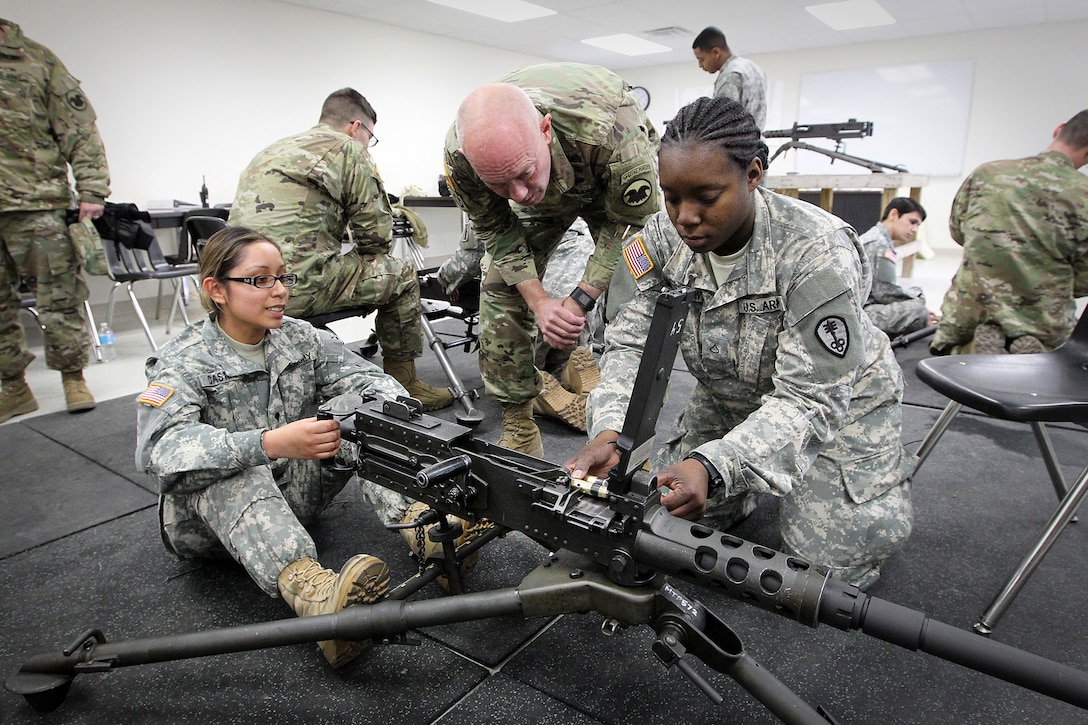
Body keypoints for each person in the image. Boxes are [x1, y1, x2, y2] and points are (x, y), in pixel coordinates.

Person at [566, 96, 916, 589]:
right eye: (670, 196)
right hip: (730, 395)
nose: (685, 216)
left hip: (838, 405)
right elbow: (630, 345)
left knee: (827, 574)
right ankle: (743, 483)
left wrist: (713, 464)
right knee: (663, 523)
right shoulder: (662, 238)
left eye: (706, 197)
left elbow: (811, 397)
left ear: (753, 174)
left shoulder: (816, 251)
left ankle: (875, 475)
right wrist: (612, 433)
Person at [135, 227, 480, 668]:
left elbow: (373, 383)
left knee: (359, 413)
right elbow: (159, 450)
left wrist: (366, 416)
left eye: (283, 278)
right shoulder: (183, 360)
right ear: (216, 289)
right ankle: (313, 594)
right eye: (260, 280)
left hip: (296, 495)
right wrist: (267, 444)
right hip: (212, 527)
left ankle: (426, 528)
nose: (279, 292)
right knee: (238, 465)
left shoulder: (299, 337)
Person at [443, 62, 662, 456]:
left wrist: (581, 297)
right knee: (498, 287)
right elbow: (496, 230)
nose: (518, 193)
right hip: (553, 164)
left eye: (523, 174)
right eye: (499, 183)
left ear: (544, 131)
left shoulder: (614, 128)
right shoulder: (464, 159)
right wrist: (540, 303)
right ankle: (520, 430)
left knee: (640, 285)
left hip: (603, 169)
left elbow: (629, 224)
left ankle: (628, 429)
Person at [229, 88, 453, 411]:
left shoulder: (271, 151)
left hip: (238, 287)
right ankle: (405, 386)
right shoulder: (349, 150)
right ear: (355, 127)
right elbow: (377, 239)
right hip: (291, 287)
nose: (368, 145)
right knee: (402, 273)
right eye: (371, 138)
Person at [0, 18, 107, 422]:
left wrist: (93, 190)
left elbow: (80, 129)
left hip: (38, 205)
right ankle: (13, 386)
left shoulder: (36, 59)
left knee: (59, 299)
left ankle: (72, 377)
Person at [931, 110, 1088, 356]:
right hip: (1043, 317)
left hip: (973, 307)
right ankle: (1030, 347)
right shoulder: (1083, 193)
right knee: (1045, 369)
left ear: (1058, 130)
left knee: (964, 368)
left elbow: (959, 232)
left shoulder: (988, 173)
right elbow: (1084, 279)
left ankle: (978, 344)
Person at [859, 197, 938, 338]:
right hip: (862, 314)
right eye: (912, 222)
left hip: (864, 306)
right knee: (917, 308)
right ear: (893, 215)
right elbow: (885, 292)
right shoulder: (879, 244)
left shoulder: (878, 238)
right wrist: (918, 305)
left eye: (917, 225)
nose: (914, 229)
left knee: (916, 296)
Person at [692, 26, 768, 131]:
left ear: (716, 53)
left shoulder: (730, 76)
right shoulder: (754, 68)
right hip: (756, 142)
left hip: (737, 145)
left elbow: (723, 123)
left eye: (701, 59)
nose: (700, 65)